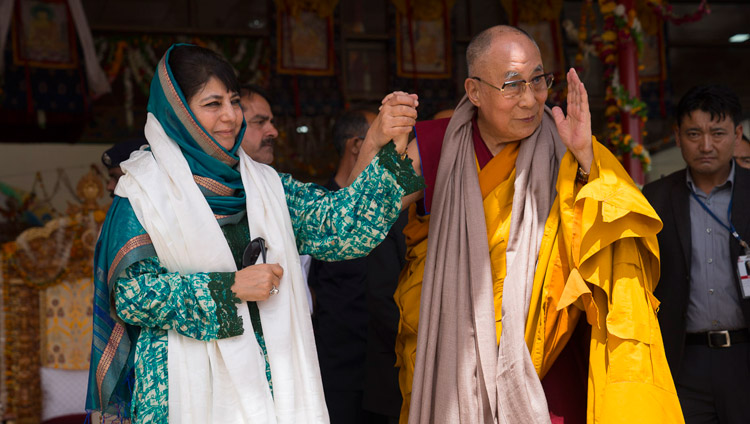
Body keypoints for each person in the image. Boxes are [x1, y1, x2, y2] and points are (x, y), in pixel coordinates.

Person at [85, 44, 422, 423]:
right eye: (212, 104)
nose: (230, 116)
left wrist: (382, 140)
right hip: (182, 389)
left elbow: (341, 227)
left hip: (274, 382)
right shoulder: (142, 193)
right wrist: (230, 288)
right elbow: (131, 295)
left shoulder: (266, 185)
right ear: (178, 112)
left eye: (233, 101)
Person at [393, 25, 683, 423]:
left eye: (538, 81)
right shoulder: (434, 145)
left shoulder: (567, 145)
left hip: (545, 364)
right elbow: (362, 218)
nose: (530, 99)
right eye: (512, 85)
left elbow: (616, 240)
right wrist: (377, 141)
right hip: (453, 358)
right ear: (474, 91)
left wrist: (586, 160)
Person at [643, 84, 750, 423]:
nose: (706, 145)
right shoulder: (655, 197)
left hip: (745, 357)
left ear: (737, 134)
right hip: (684, 360)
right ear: (677, 136)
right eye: (693, 133)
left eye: (717, 133)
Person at [307, 109, 382, 423]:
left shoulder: (383, 209)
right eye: (382, 138)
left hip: (382, 371)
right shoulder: (314, 212)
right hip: (338, 373)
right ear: (356, 146)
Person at [239, 84, 277, 165]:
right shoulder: (208, 176)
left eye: (272, 122)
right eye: (260, 122)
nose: (274, 132)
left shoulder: (274, 177)